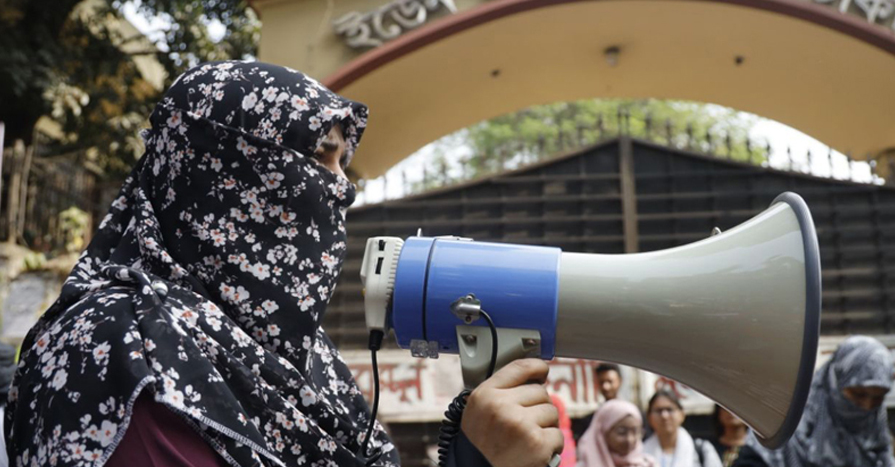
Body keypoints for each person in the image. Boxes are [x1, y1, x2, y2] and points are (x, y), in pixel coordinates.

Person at [5, 61, 561, 467]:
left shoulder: (301, 364)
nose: (343, 189)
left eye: (345, 162)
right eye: (321, 154)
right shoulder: (123, 349)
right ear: (224, 170)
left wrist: (473, 454)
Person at [734, 335, 895, 467]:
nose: (867, 406)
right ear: (833, 383)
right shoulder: (781, 431)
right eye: (858, 394)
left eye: (878, 398)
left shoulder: (878, 445)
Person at [644, 389, 721, 467]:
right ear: (649, 417)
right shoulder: (640, 453)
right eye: (658, 410)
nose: (664, 416)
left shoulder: (702, 450)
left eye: (669, 409)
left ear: (682, 415)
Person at [577, 399, 654, 467]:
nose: (629, 439)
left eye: (635, 432)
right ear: (603, 433)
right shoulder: (586, 465)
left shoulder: (649, 464)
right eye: (622, 432)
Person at [575, 363, 624, 442]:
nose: (605, 387)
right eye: (601, 382)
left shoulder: (632, 414)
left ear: (620, 381)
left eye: (610, 381)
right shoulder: (591, 421)